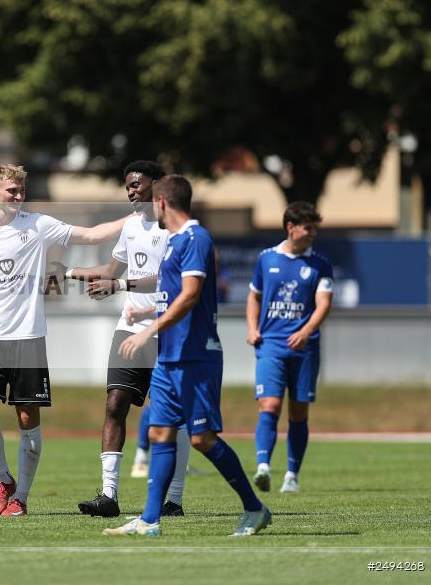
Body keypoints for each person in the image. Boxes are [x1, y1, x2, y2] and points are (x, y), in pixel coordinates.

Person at [0, 163, 129, 517]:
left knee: (27, 419)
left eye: (20, 190)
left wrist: (138, 215)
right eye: (11, 190)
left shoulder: (38, 226)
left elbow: (93, 235)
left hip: (28, 338)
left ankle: (21, 498)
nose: (18, 196)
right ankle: (5, 480)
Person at [103, 174, 270, 537]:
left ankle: (255, 509)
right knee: (161, 433)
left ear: (162, 202)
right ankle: (150, 520)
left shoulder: (197, 238)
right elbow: (171, 294)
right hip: (169, 356)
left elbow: (191, 294)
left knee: (200, 438)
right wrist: (144, 314)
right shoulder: (176, 241)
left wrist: (149, 329)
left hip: (196, 355)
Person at [59, 160, 190, 518]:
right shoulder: (131, 227)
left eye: (136, 184)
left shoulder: (176, 229)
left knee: (171, 417)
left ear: (156, 186)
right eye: (127, 185)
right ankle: (109, 495)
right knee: (114, 402)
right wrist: (66, 272)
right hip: (131, 328)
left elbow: (168, 279)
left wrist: (117, 285)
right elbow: (110, 272)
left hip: (170, 330)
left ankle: (173, 500)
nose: (130, 190)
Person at [247, 201, 333, 494]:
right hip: (271, 345)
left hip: (305, 349)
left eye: (314, 228)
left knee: (298, 412)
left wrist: (306, 331)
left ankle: (292, 475)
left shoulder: (320, 264)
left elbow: (324, 304)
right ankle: (262, 468)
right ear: (290, 227)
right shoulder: (266, 259)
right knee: (269, 405)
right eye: (308, 227)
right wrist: (252, 327)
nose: (312, 233)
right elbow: (254, 296)